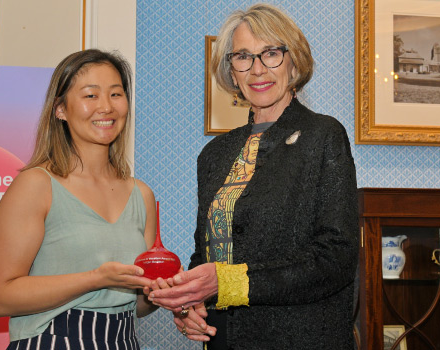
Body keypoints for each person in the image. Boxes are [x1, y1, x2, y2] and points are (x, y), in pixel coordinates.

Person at [146, 4, 359, 349]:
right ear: (231, 69)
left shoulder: (323, 136)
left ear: (293, 60)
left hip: (299, 339)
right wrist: (189, 304)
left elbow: (335, 259)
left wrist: (227, 283)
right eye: (243, 56)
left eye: (271, 53)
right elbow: (206, 256)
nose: (257, 69)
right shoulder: (214, 155)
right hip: (222, 338)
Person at [0, 49, 157, 349]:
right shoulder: (36, 185)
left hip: (123, 341)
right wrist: (94, 278)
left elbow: (138, 306)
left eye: (116, 94)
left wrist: (159, 291)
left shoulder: (141, 195)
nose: (106, 107)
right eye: (90, 96)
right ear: (60, 109)